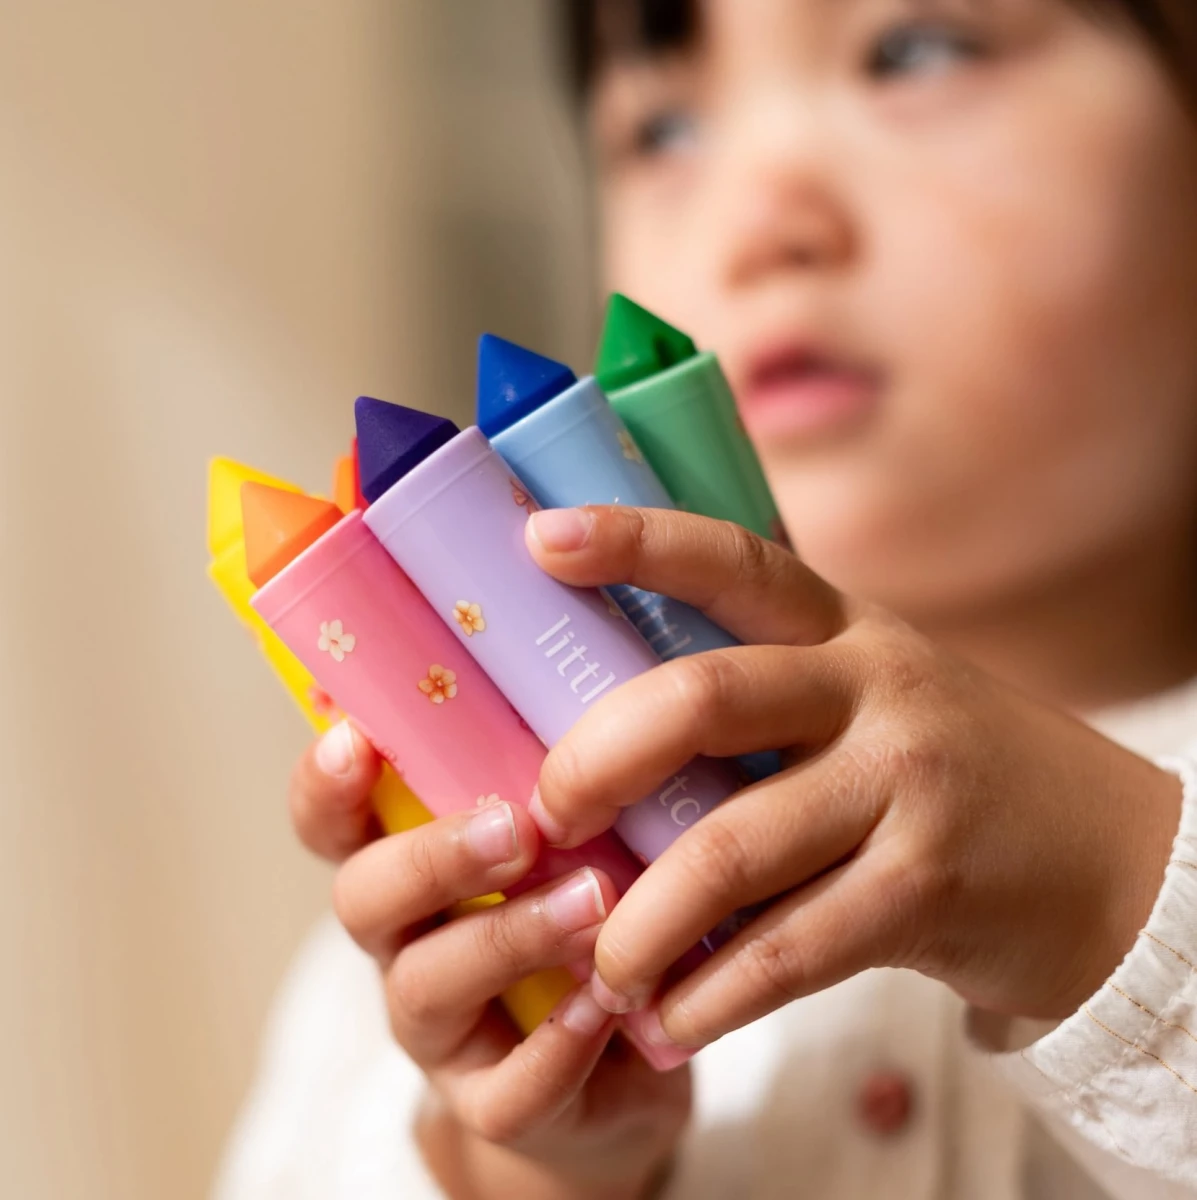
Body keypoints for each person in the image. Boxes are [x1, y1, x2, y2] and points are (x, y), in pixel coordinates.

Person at [215, 2, 1197, 1196]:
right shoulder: (468, 944)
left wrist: (1107, 897)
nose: (758, 215)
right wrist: (530, 1170)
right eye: (663, 129)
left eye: (915, 53)